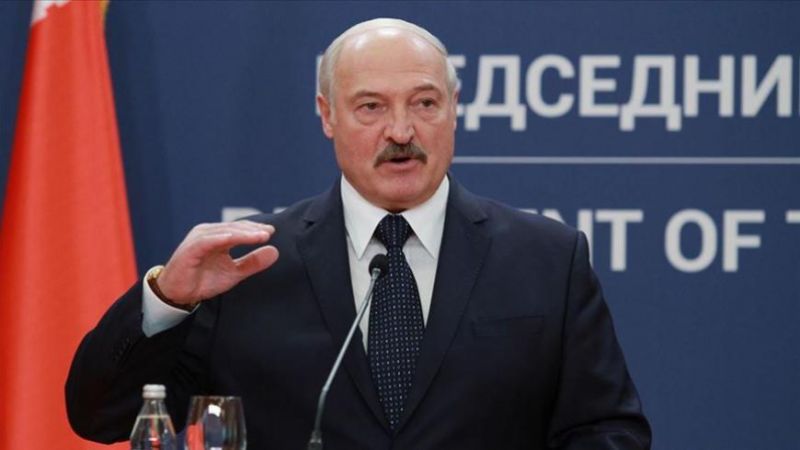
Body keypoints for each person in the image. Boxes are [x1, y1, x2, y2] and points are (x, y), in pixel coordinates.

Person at [66, 18, 651, 449]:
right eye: (371, 107)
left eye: (424, 103)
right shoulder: (247, 265)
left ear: (454, 108)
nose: (401, 131)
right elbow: (101, 417)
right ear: (327, 115)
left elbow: (608, 430)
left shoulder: (546, 258)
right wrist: (168, 299)